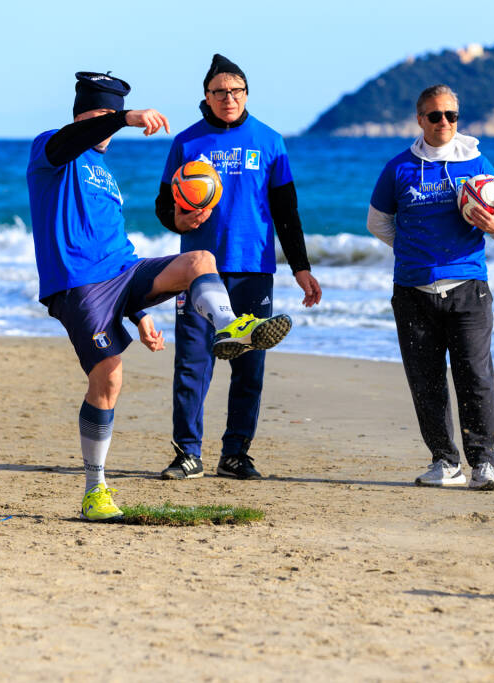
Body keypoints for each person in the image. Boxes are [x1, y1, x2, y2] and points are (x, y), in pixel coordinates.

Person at [26, 71, 293, 520]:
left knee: (199, 260)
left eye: (113, 117)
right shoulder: (52, 149)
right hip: (78, 286)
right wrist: (124, 118)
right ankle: (95, 489)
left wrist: (140, 312)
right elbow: (77, 136)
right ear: (84, 117)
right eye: (102, 117)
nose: (108, 127)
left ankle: (231, 327)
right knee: (108, 379)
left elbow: (117, 248)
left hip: (122, 275)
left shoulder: (104, 173)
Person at [154, 54, 321, 481]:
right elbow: (162, 205)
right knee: (192, 362)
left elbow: (286, 211)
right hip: (196, 268)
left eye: (236, 91)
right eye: (219, 92)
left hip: (253, 268)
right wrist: (180, 220)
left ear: (246, 94)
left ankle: (235, 454)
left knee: (249, 364)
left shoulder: (269, 141)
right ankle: (187, 454)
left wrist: (300, 268)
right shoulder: (187, 143)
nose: (228, 98)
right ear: (206, 98)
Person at [367, 84, 494, 490]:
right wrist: (416, 252)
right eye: (435, 116)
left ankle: (484, 465)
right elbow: (377, 222)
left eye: (451, 115)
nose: (444, 123)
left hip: (468, 287)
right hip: (413, 292)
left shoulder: (478, 163)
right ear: (420, 119)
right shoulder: (399, 168)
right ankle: (445, 463)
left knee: (476, 378)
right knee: (426, 381)